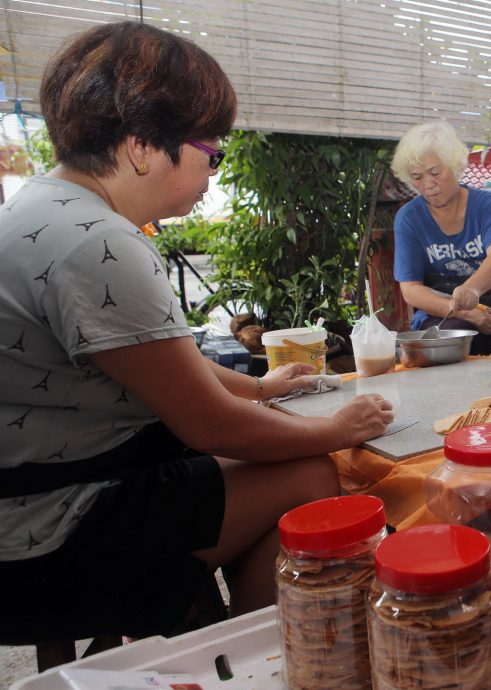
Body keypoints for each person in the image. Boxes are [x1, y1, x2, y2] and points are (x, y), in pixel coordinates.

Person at [0, 22, 394, 643]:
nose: (214, 171)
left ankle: (216, 623)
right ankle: (249, 657)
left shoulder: (42, 206)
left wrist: (263, 391)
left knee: (249, 465)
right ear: (142, 148)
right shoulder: (100, 245)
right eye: (212, 151)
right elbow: (209, 423)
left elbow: (163, 362)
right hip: (45, 534)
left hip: (39, 495)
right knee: (311, 474)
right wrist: (336, 429)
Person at [391, 120, 491, 355]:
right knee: (462, 335)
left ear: (454, 166)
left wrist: (472, 290)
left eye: (434, 172)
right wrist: (461, 311)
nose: (428, 184)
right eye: (417, 177)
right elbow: (411, 290)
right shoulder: (408, 218)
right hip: (440, 318)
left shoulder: (487, 204)